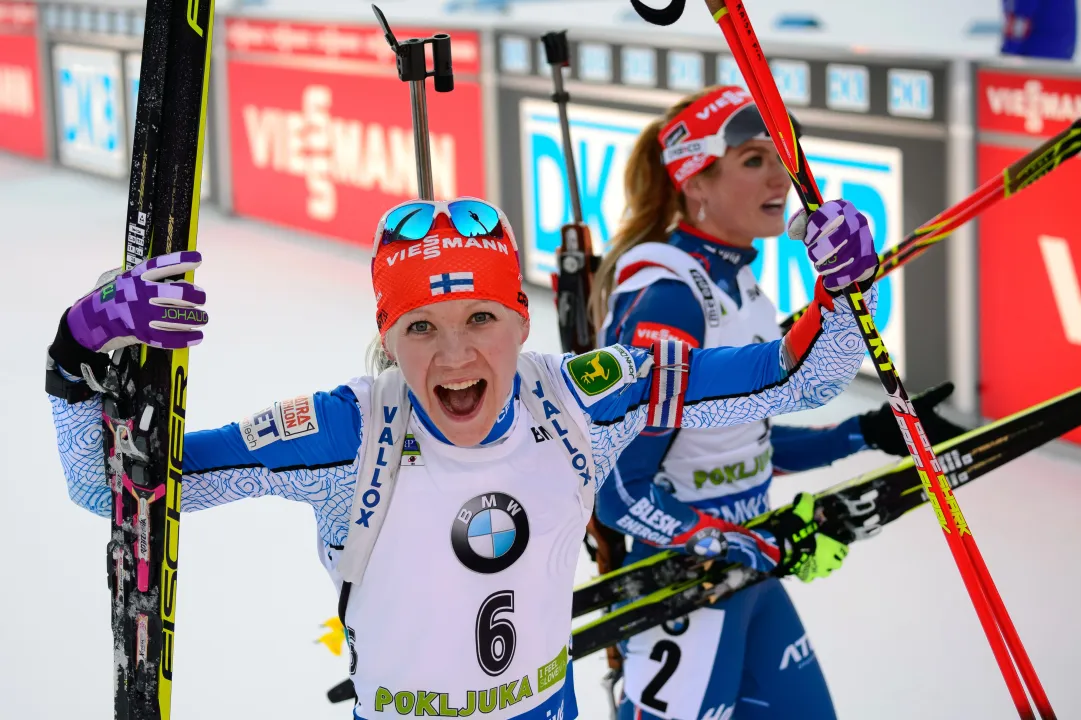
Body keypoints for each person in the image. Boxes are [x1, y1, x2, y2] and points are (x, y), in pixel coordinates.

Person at [47, 195, 879, 719]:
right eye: (419, 330)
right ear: (387, 338)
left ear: (523, 322)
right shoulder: (346, 435)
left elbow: (795, 381)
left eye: (480, 320)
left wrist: (844, 294)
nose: (452, 359)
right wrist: (73, 359)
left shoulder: (586, 398)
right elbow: (115, 492)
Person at [589, 86, 966, 720]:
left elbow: (738, 443)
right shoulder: (670, 298)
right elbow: (618, 491)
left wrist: (863, 433)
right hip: (683, 581)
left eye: (781, 156)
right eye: (754, 159)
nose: (780, 177)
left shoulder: (737, 282)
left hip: (747, 560)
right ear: (695, 183)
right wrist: (720, 539)